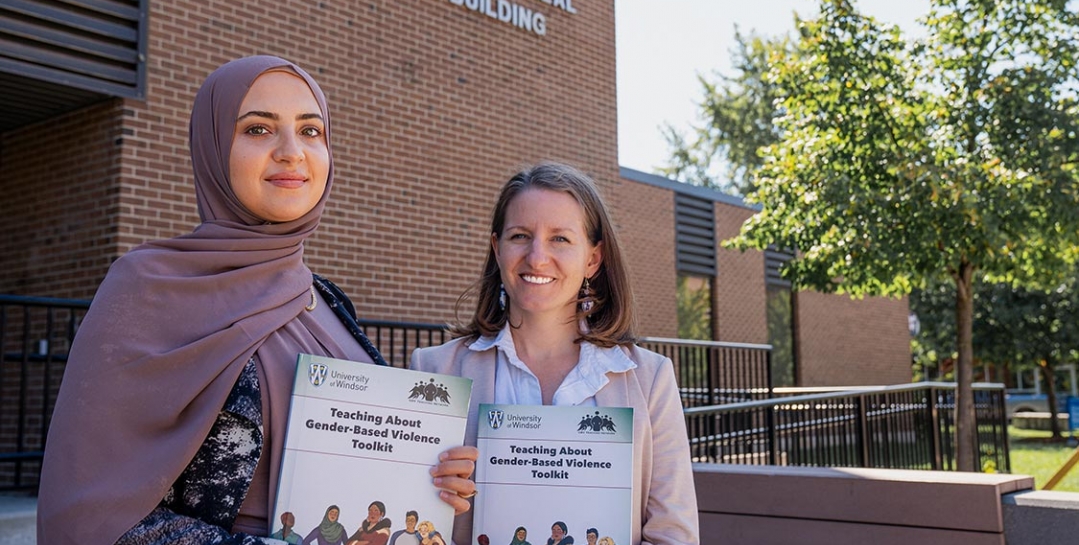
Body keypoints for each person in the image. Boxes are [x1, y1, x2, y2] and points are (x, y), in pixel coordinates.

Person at [36, 55, 477, 545]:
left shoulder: (325, 301)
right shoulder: (149, 289)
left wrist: (428, 476)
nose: (292, 152)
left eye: (311, 131)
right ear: (214, 146)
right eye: (259, 129)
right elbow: (88, 519)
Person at [410, 162, 700, 545]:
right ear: (497, 249)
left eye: (560, 239)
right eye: (520, 236)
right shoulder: (434, 371)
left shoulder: (650, 380)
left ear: (593, 260)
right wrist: (430, 495)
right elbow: (411, 527)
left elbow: (674, 536)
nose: (536, 257)